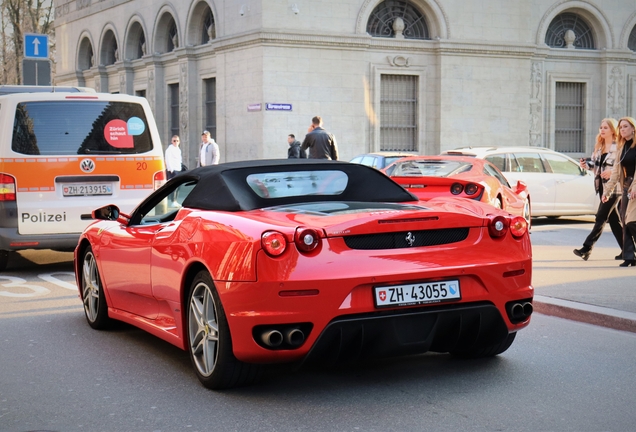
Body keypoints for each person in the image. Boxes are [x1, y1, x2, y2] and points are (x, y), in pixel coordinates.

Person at [573, 119, 623, 261]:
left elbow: (622, 166)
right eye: (601, 127)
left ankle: (586, 248)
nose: (602, 130)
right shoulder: (600, 147)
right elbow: (596, 166)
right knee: (613, 220)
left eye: (605, 127)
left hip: (614, 187)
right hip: (601, 186)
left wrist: (612, 172)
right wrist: (586, 165)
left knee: (600, 217)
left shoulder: (619, 146)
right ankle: (627, 250)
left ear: (613, 130)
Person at [602, 116, 636, 267]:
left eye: (626, 127)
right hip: (626, 185)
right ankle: (630, 256)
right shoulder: (622, 148)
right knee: (624, 220)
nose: (622, 130)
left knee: (631, 220)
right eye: (621, 127)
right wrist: (607, 191)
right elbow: (616, 172)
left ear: (633, 128)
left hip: (635, 185)